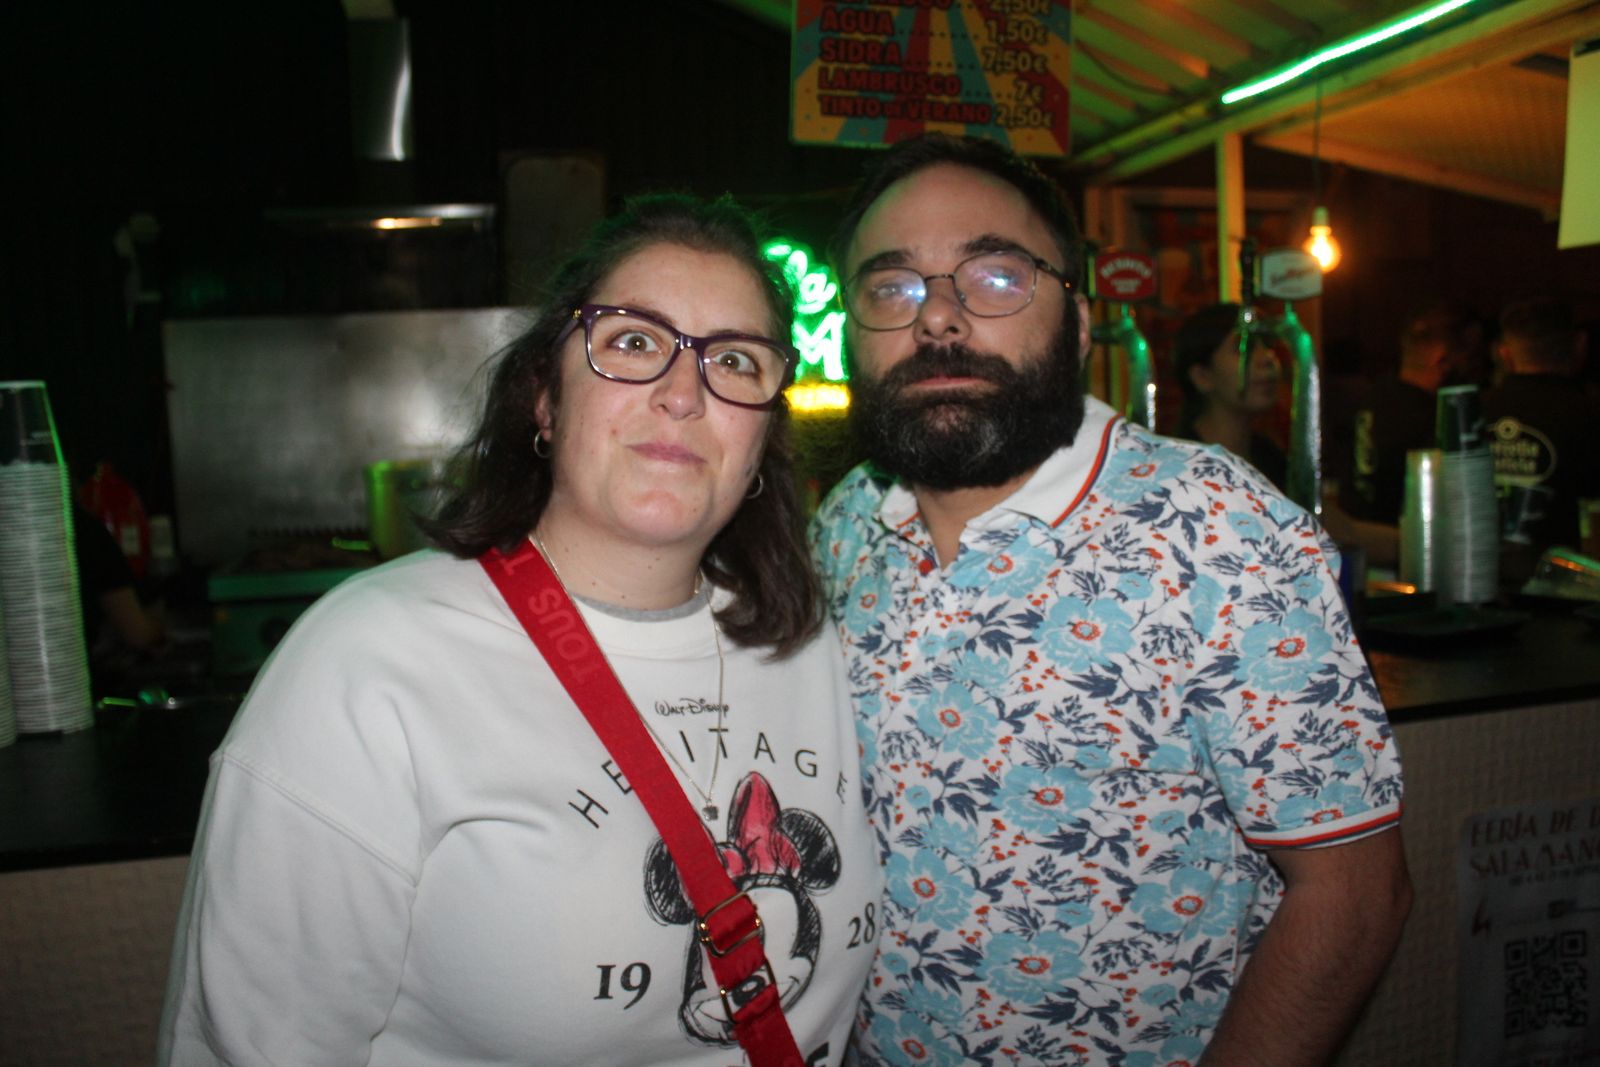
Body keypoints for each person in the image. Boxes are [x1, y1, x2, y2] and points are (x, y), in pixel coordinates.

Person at [159, 194, 882, 1065]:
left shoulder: (807, 645)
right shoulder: (369, 664)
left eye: (734, 359)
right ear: (544, 398)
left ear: (765, 432)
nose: (684, 393)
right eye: (633, 342)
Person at [811, 134, 1411, 1067]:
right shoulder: (845, 522)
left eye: (995, 277)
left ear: (1080, 323)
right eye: (892, 288)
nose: (937, 321)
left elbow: (1353, 891)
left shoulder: (1221, 530)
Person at [1483, 295, 1598, 555]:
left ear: (1505, 353)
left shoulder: (1468, 413)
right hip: (1574, 579)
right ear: (1580, 344)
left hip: (1479, 576)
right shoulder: (1589, 414)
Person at [1171, 302, 1287, 489]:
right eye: (1243, 348)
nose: (1267, 358)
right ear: (1202, 377)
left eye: (1267, 344)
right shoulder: (1181, 466)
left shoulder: (1271, 458)